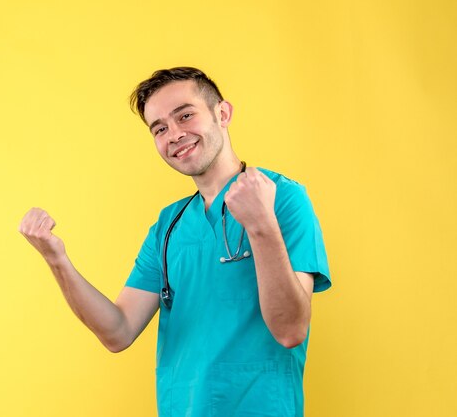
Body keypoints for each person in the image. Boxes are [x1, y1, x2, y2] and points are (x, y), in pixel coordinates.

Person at [19, 67, 331, 417]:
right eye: (161, 128)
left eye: (185, 115)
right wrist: (57, 260)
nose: (175, 134)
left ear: (222, 113)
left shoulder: (283, 199)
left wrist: (261, 225)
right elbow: (117, 332)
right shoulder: (169, 226)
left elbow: (291, 330)